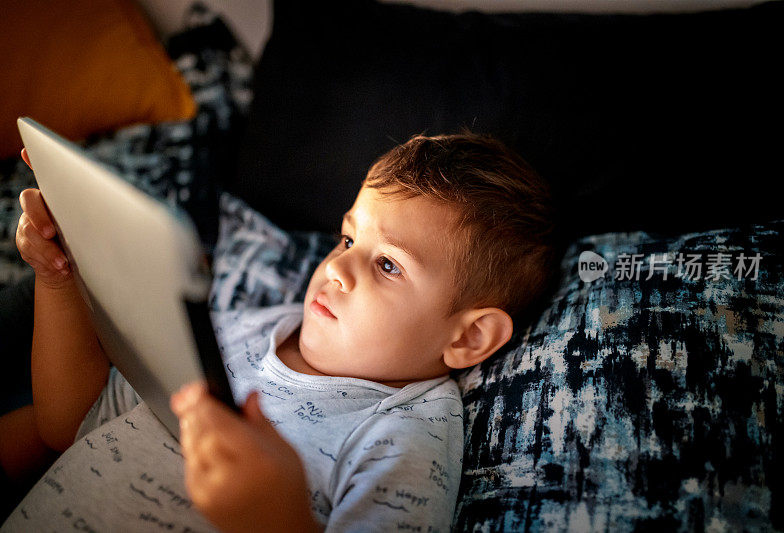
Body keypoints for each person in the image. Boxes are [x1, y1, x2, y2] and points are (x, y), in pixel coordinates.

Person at [0, 132, 558, 532]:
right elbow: (72, 423)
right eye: (347, 240)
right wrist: (57, 278)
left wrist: (277, 521)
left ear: (468, 339)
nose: (336, 268)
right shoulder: (251, 327)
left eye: (388, 265)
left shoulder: (407, 435)